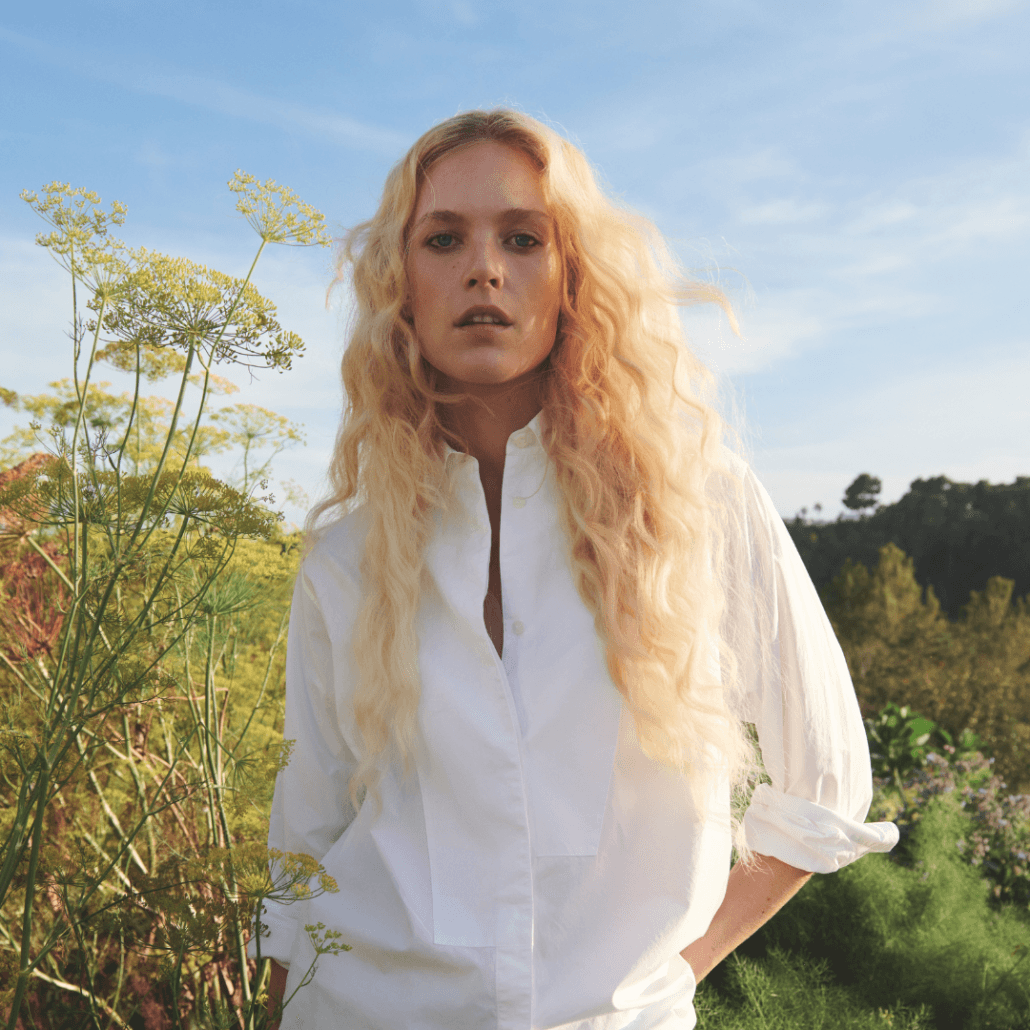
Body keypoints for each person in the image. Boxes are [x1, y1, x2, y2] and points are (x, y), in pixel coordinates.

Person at [251, 109, 899, 1030]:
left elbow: (823, 790)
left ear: (572, 280)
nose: (485, 268)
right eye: (444, 239)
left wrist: (665, 974)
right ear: (402, 284)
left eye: (523, 238)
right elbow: (307, 840)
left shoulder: (695, 508)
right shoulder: (345, 555)